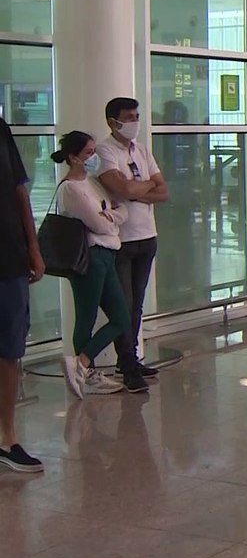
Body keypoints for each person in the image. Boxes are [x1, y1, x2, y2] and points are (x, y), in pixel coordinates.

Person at [52, 132, 148, 395]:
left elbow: (122, 212)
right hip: (90, 258)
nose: (94, 157)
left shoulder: (94, 184)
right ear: (73, 157)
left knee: (121, 317)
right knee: (87, 316)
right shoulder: (71, 189)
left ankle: (81, 364)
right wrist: (109, 216)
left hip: (108, 255)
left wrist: (110, 216)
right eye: (88, 153)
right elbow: (99, 224)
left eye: (95, 151)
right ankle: (88, 371)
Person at [96, 97, 167, 379]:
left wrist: (138, 188)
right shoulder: (105, 150)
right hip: (121, 240)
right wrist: (141, 187)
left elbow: (164, 192)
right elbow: (122, 189)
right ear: (113, 121)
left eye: (136, 116)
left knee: (136, 303)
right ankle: (125, 363)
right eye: (128, 117)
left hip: (147, 236)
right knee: (123, 304)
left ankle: (132, 357)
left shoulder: (142, 150)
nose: (134, 122)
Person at [0, 116, 43, 471]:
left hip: (8, 256)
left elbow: (18, 189)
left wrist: (33, 246)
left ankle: (7, 437)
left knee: (9, 348)